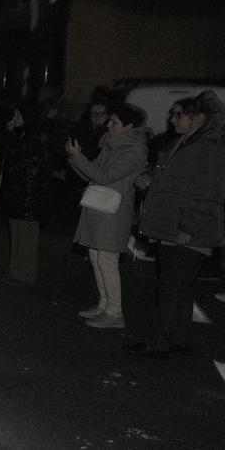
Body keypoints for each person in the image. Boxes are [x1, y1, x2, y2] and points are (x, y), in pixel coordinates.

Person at [128, 92, 225, 356]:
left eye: (179, 114)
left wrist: (189, 228)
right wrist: (150, 178)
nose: (172, 119)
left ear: (199, 118)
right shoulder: (186, 141)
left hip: (188, 231)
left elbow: (209, 194)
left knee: (170, 287)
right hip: (172, 225)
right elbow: (177, 177)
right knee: (180, 287)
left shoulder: (210, 147)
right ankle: (180, 338)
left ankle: (157, 341)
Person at [65, 105, 149, 329]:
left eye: (114, 122)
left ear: (129, 126)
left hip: (114, 212)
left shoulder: (134, 151)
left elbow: (104, 176)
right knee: (96, 258)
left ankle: (115, 313)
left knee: (107, 262)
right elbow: (90, 174)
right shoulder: (112, 145)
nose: (108, 125)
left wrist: (79, 157)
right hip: (98, 207)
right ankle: (104, 305)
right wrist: (75, 158)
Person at [2, 104, 52, 285]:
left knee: (26, 237)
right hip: (18, 194)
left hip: (28, 196)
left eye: (17, 116)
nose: (13, 120)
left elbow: (21, 162)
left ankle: (26, 273)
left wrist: (11, 136)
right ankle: (17, 271)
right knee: (17, 234)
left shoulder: (35, 137)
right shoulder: (23, 135)